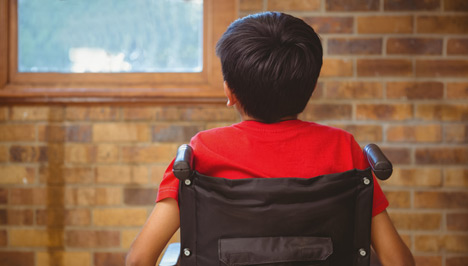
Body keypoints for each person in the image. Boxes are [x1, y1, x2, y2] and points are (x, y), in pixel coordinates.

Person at [125, 12, 415, 266]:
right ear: (311, 88)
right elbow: (398, 261)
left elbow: (139, 259)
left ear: (230, 92)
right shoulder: (343, 148)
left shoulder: (201, 152)